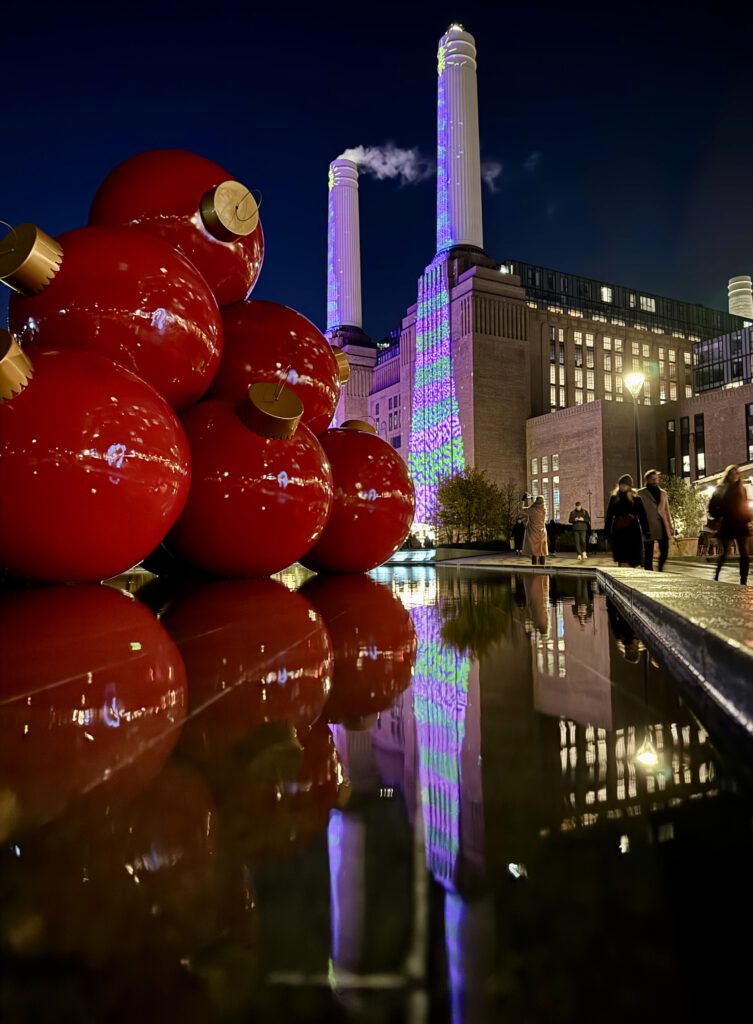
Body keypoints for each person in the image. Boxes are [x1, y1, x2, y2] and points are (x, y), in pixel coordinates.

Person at [712, 465, 752, 585]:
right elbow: (712, 506)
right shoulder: (721, 488)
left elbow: (745, 504)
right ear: (728, 475)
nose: (734, 476)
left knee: (744, 554)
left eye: (736, 474)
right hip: (727, 523)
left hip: (740, 524)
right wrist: (720, 516)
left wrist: (748, 518)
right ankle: (716, 575)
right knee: (724, 553)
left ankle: (743, 580)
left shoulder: (742, 489)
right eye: (732, 474)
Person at [604, 474, 649, 567]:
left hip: (633, 531)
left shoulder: (636, 499)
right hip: (619, 531)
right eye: (621, 484)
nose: (622, 486)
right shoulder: (614, 498)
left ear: (629, 486)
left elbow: (642, 515)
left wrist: (646, 530)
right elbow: (609, 515)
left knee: (633, 557)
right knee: (622, 557)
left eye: (624, 484)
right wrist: (607, 532)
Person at [636, 469, 674, 571]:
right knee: (648, 552)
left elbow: (667, 511)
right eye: (653, 479)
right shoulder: (640, 493)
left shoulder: (663, 493)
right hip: (648, 525)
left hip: (662, 525)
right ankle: (649, 572)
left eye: (656, 478)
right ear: (647, 480)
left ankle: (660, 569)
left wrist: (670, 526)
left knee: (665, 551)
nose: (655, 481)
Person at [521, 494, 548, 566]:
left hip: (533, 531)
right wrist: (533, 500)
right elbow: (537, 505)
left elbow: (521, 509)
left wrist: (523, 500)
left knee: (534, 551)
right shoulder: (544, 510)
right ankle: (543, 567)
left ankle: (534, 567)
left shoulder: (531, 510)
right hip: (542, 532)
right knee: (542, 551)